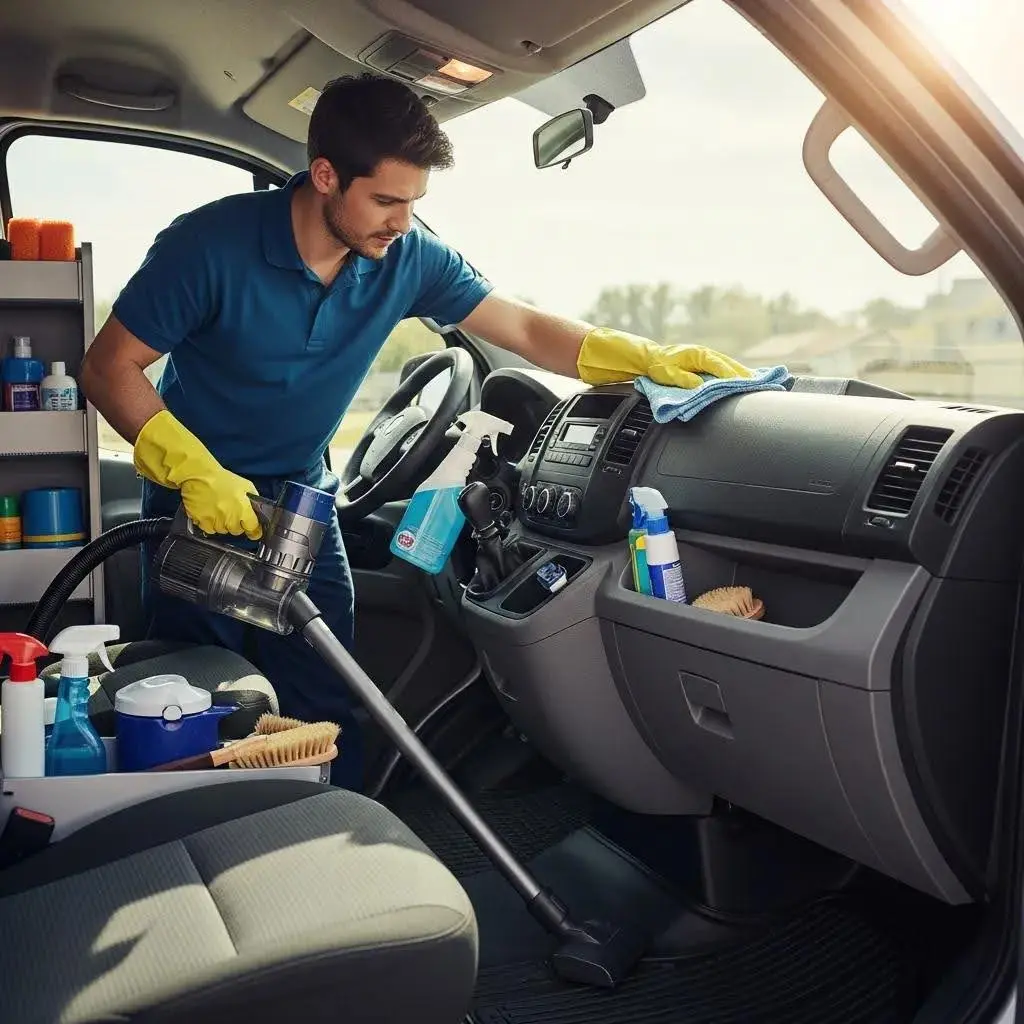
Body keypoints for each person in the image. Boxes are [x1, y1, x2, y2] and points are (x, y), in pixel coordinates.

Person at [81, 73, 750, 790]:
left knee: (328, 694)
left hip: (304, 496)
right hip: (198, 499)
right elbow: (109, 366)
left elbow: (519, 326)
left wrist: (638, 356)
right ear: (326, 176)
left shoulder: (404, 259)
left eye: (414, 204)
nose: (401, 222)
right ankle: (194, 836)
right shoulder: (209, 245)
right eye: (386, 201)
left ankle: (330, 842)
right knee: (195, 699)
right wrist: (192, 471)